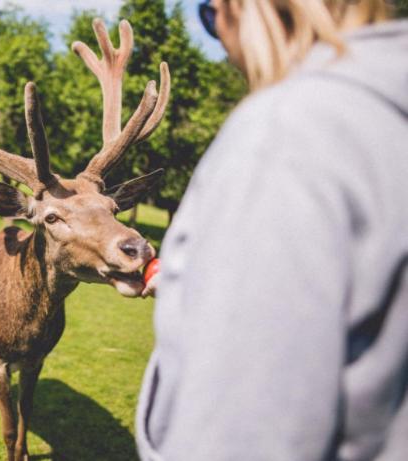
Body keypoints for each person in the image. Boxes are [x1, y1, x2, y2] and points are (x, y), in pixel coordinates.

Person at [137, 1, 408, 460]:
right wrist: (207, 289)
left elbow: (241, 438)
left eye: (209, 14)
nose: (222, 45)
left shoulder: (287, 134)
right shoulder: (387, 118)